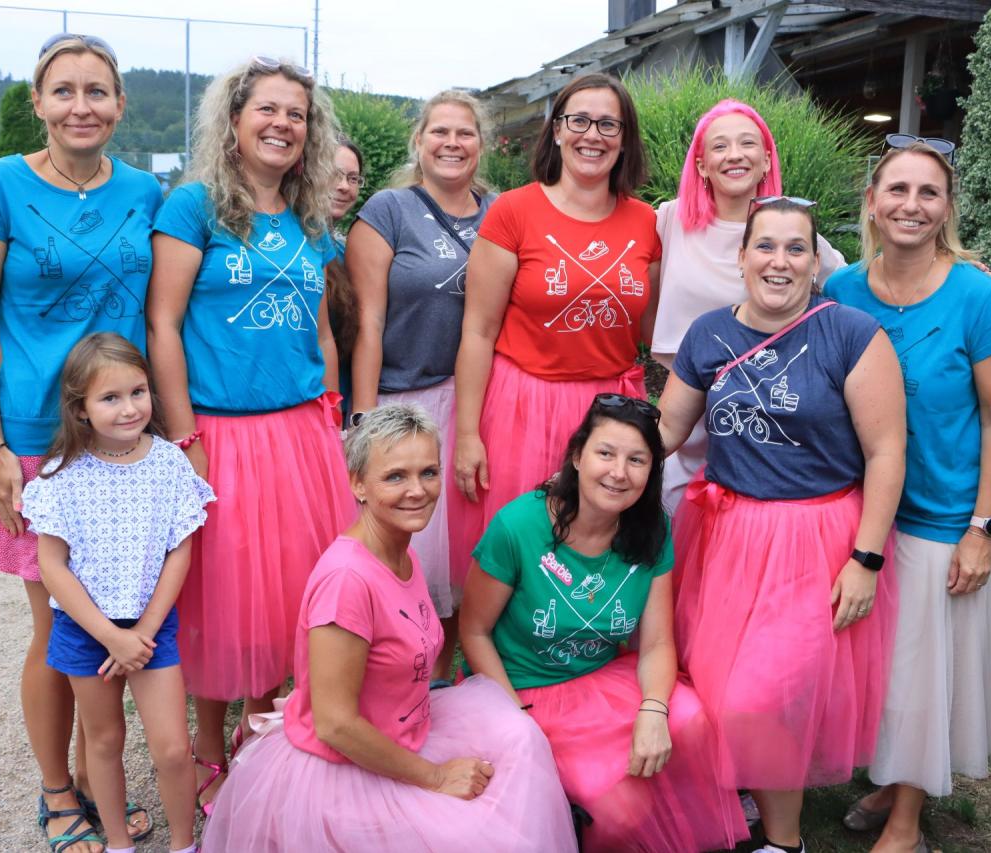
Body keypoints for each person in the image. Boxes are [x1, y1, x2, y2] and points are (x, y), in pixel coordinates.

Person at [0, 33, 163, 853]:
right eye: (65, 90)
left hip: (127, 440)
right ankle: (57, 791)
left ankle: (95, 776)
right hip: (40, 444)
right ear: (39, 103)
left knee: (115, 616)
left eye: (97, 91)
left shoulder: (144, 190)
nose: (83, 106)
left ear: (119, 105)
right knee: (57, 629)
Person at [201, 404, 575, 852]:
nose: (417, 490)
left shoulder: (400, 549)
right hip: (349, 767)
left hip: (411, 731)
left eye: (428, 472)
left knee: (520, 741)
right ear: (358, 483)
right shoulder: (347, 581)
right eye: (395, 476)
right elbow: (335, 725)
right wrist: (436, 777)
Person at [658, 198, 907, 853]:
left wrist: (866, 559)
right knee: (716, 686)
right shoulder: (708, 335)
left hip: (814, 541)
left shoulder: (851, 334)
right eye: (765, 246)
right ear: (741, 258)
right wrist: (598, 461)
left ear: (815, 261)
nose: (780, 261)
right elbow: (666, 429)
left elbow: (886, 452)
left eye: (796, 248)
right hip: (724, 534)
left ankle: (785, 842)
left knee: (763, 696)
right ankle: (749, 801)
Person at [147, 56, 355, 816]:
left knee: (285, 595)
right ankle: (209, 748)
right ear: (234, 119)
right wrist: (183, 436)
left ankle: (259, 737)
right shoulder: (194, 206)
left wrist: (332, 415)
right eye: (267, 108)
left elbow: (322, 332)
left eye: (296, 114)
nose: (282, 124)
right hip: (220, 432)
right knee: (221, 597)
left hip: (301, 432)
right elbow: (162, 324)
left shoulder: (310, 218)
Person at [825, 140, 991, 853]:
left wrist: (982, 528)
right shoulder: (840, 289)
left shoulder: (978, 296)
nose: (912, 205)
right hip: (861, 514)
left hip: (943, 519)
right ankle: (888, 779)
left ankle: (905, 822)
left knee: (921, 675)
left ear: (947, 208)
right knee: (878, 671)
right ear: (872, 203)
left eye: (929, 192)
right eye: (898, 190)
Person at [460, 395, 748, 852]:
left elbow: (657, 642)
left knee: (691, 721)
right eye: (606, 453)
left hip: (601, 680)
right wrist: (516, 720)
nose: (619, 472)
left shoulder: (651, 529)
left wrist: (653, 710)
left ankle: (672, 823)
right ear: (578, 456)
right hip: (524, 690)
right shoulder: (517, 525)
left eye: (637, 460)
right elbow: (473, 633)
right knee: (614, 812)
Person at [450, 73, 659, 594]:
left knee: (598, 558)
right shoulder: (513, 211)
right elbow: (478, 331)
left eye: (608, 124)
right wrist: (468, 433)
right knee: (519, 559)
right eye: (579, 120)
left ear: (625, 138)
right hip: (523, 408)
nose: (593, 134)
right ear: (558, 131)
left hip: (610, 413)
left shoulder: (646, 223)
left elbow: (657, 333)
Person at [22, 333, 211, 853]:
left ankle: (183, 844)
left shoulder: (169, 463)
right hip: (87, 633)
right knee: (104, 742)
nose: (129, 408)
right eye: (110, 397)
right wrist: (111, 636)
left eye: (138, 392)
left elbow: (180, 550)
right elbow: (52, 566)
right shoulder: (61, 475)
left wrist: (143, 632)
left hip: (151, 631)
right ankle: (119, 845)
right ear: (80, 408)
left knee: (172, 748)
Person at [348, 89, 496, 669]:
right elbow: (368, 320)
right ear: (419, 140)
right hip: (401, 399)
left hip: (476, 401)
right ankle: (393, 672)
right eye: (440, 131)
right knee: (406, 546)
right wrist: (364, 422)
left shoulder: (500, 212)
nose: (452, 143)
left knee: (462, 551)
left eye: (465, 133)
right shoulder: (389, 210)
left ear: (481, 145)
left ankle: (444, 676)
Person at [649, 99, 846, 512]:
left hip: (764, 409)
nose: (734, 155)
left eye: (748, 144)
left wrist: (944, 268)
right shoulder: (669, 220)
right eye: (720, 146)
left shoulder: (790, 230)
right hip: (682, 412)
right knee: (676, 518)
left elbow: (855, 285)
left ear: (766, 160)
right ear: (702, 165)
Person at [325, 136, 365, 424]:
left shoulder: (346, 251)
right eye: (334, 174)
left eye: (353, 178)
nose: (344, 186)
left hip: (341, 402)